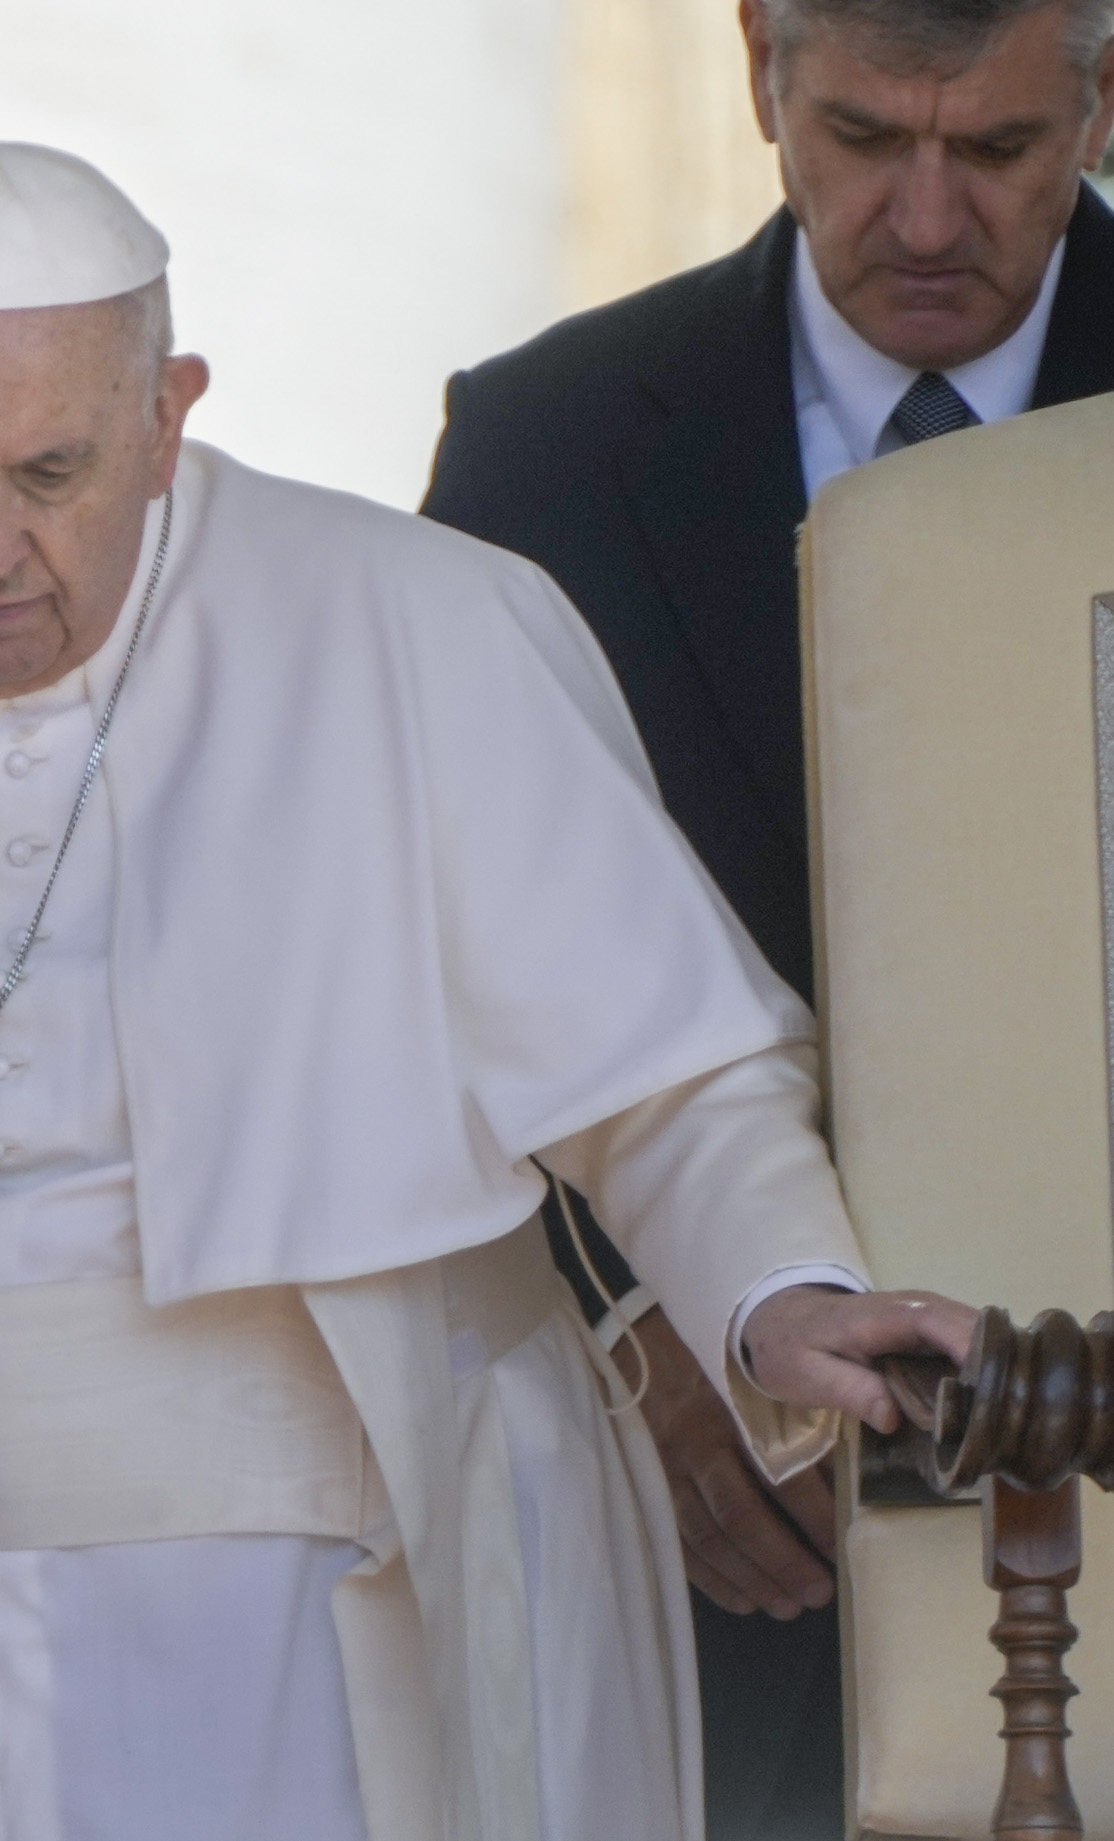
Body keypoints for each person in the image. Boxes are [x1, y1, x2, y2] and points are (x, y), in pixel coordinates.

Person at [0, 137, 971, 1839]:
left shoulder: (413, 628)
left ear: (169, 412)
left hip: (318, 1618)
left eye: (51, 469)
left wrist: (773, 1287)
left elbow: (665, 1075)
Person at [420, 1, 1114, 1830]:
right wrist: (648, 1341)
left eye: (997, 152)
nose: (925, 218)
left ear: (1106, 97)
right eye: (863, 138)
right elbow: (441, 956)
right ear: (756, 75)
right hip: (726, 1526)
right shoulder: (538, 450)